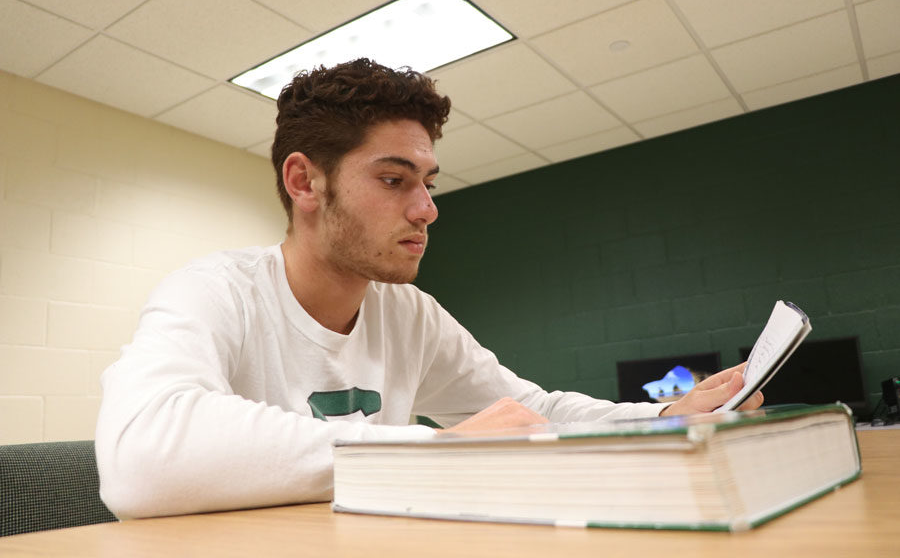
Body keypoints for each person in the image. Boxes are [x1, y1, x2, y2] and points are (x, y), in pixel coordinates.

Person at [95, 58, 762, 519]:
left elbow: (530, 414)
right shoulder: (215, 290)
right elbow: (140, 460)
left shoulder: (410, 314)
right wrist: (437, 452)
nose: (426, 209)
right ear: (305, 183)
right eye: (394, 180)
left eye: (428, 183)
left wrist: (664, 416)